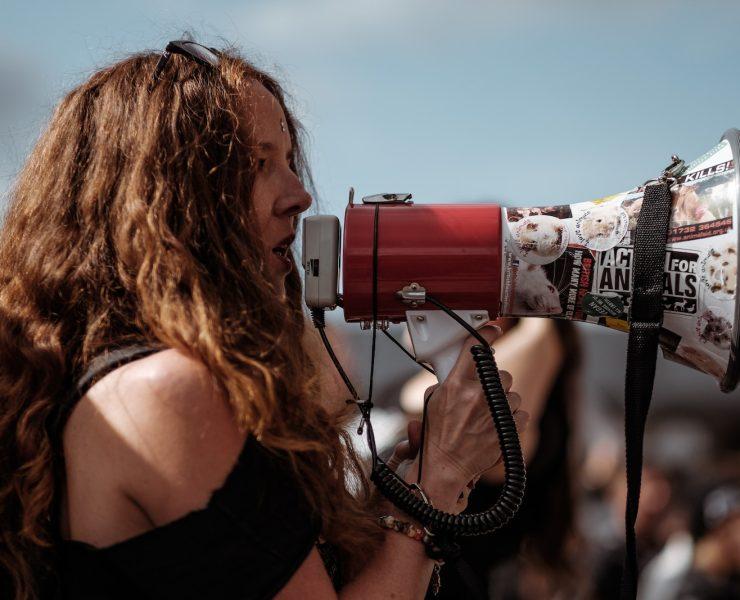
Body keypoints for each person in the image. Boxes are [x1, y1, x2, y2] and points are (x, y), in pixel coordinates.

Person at [0, 40, 528, 600]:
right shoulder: (165, 393)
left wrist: (396, 506)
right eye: (256, 164)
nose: (299, 196)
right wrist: (440, 480)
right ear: (162, 200)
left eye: (289, 163)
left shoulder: (103, 377)